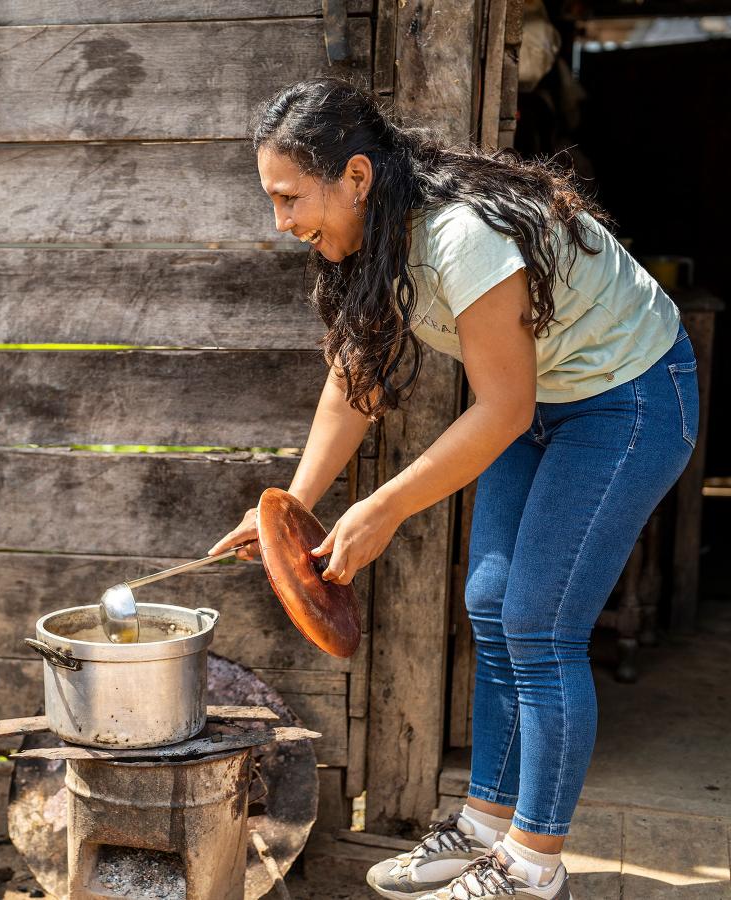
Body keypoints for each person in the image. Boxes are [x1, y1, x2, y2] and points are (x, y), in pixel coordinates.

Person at [209, 78, 696, 900]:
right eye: (273, 201)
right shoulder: (375, 238)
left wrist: (384, 507)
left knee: (540, 623)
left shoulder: (461, 235)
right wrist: (286, 513)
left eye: (290, 199)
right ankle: (482, 829)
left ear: (355, 177)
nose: (282, 222)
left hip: (630, 399)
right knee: (492, 606)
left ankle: (533, 869)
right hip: (543, 403)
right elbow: (352, 382)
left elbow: (502, 408)